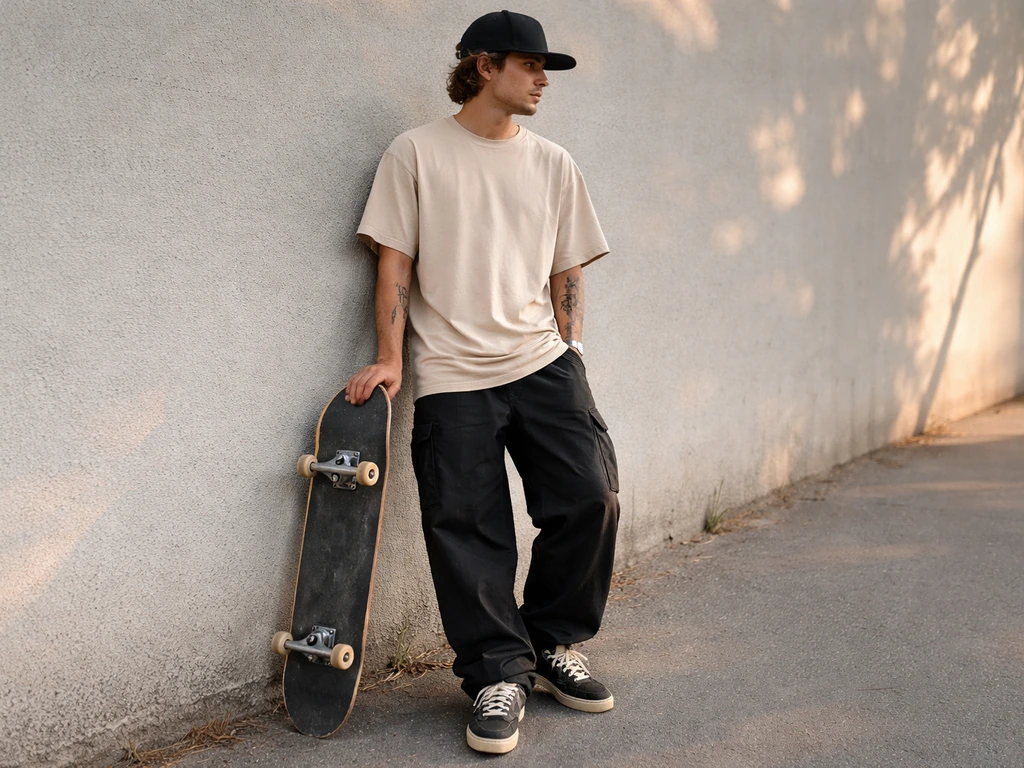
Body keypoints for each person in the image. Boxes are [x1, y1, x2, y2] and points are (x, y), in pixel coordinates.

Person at [345, 9, 620, 755]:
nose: (542, 81)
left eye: (546, 71)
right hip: (452, 375)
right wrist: (392, 358)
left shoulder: (554, 163)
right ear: (483, 66)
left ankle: (555, 643)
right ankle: (499, 672)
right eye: (530, 66)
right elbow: (393, 263)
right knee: (468, 532)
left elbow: (567, 269)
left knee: (590, 497)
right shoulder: (416, 154)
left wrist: (574, 352)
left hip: (543, 363)